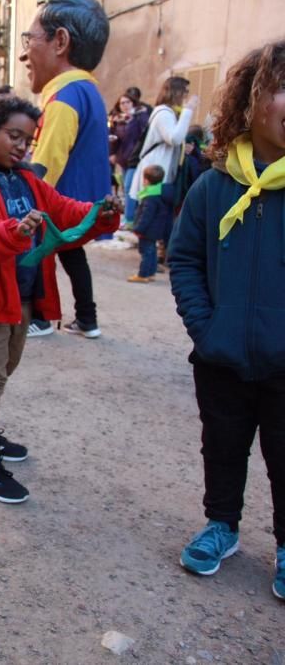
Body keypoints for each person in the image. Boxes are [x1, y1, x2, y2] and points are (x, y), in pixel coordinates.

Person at [0, 98, 120, 503]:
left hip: (21, 296)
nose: (22, 146)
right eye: (13, 136)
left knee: (4, 367)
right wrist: (12, 232)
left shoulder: (30, 182)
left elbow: (67, 212)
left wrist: (101, 213)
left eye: (28, 139)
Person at [167, 39, 285, 602]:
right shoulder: (214, 185)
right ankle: (222, 525)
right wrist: (205, 326)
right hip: (221, 357)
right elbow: (185, 257)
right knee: (223, 445)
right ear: (253, 99)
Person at [20, 0, 112, 341]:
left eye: (31, 39)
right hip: (82, 202)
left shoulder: (63, 99)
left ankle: (41, 317)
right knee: (74, 258)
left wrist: (27, 192)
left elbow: (46, 163)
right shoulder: (88, 91)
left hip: (61, 201)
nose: (26, 52)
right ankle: (87, 319)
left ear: (60, 42)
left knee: (39, 253)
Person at [130, 77, 199, 199]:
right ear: (176, 92)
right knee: (151, 210)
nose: (186, 96)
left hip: (158, 168)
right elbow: (174, 138)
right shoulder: (164, 113)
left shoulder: (169, 112)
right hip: (155, 171)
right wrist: (188, 110)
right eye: (185, 91)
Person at [127, 164, 174, 284]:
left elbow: (146, 216)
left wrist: (138, 229)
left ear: (146, 180)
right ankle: (151, 272)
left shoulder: (150, 197)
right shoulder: (160, 193)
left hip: (147, 231)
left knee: (146, 252)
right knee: (152, 251)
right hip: (156, 229)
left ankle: (143, 275)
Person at [111, 87, 150, 227]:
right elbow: (117, 139)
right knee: (125, 187)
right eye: (122, 103)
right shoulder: (119, 120)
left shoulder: (141, 115)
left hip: (136, 158)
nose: (125, 105)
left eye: (127, 102)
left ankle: (130, 219)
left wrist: (133, 119)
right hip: (123, 159)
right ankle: (130, 218)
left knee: (129, 187)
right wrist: (113, 153)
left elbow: (142, 134)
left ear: (133, 103)